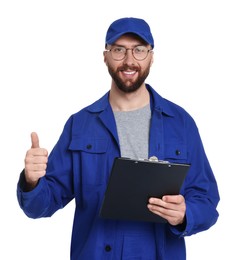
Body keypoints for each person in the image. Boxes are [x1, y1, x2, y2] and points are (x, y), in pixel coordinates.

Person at [17, 17, 220, 260]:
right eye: (119, 50)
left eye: (139, 50)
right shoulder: (80, 124)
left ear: (151, 57)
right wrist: (31, 181)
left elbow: (206, 199)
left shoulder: (181, 123)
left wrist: (186, 214)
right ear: (105, 56)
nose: (129, 60)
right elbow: (40, 206)